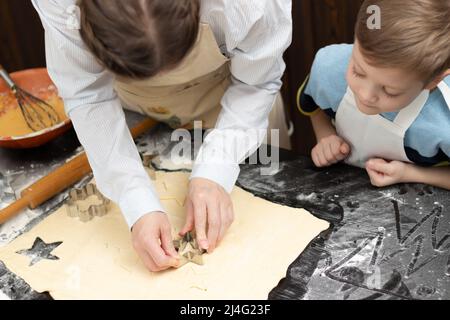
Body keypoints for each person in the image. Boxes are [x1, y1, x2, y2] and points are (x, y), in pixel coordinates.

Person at [32, 0, 293, 272]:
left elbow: (256, 83)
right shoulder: (59, 4)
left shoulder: (248, 6)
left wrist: (217, 169)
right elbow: (87, 94)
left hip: (232, 91)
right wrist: (136, 199)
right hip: (139, 110)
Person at [297, 0, 450, 190]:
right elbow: (313, 104)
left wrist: (410, 173)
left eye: (390, 91)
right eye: (358, 72)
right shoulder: (329, 67)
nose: (366, 95)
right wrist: (325, 136)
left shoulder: (444, 124)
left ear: (432, 82)